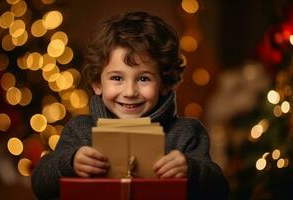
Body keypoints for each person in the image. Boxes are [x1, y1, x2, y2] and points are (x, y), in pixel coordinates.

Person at [31, 11, 229, 199]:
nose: (130, 92)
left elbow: (220, 190)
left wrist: (191, 169)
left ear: (165, 83)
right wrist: (71, 163)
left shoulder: (187, 133)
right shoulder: (79, 130)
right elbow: (40, 183)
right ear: (98, 84)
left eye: (143, 79)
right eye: (117, 78)